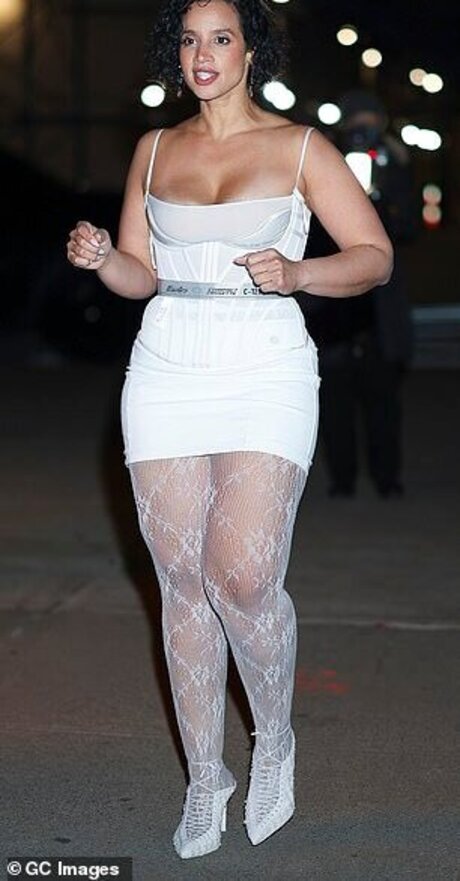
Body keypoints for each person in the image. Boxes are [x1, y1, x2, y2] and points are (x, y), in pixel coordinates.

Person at [66, 0, 393, 860]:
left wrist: (299, 272)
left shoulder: (300, 148)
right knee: (181, 581)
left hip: (265, 364)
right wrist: (104, 260)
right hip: (167, 365)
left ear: (252, 52)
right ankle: (204, 776)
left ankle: (273, 741)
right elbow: (141, 275)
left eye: (221, 38)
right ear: (174, 53)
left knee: (241, 575)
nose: (202, 54)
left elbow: (374, 256)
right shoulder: (155, 149)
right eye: (189, 39)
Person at [298, 91, 414, 498]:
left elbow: (408, 228)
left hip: (379, 309)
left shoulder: (390, 163)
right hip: (332, 305)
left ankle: (387, 478)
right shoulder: (325, 159)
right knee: (335, 398)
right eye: (355, 124)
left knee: (383, 400)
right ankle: (342, 479)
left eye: (370, 123)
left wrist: (394, 173)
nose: (362, 132)